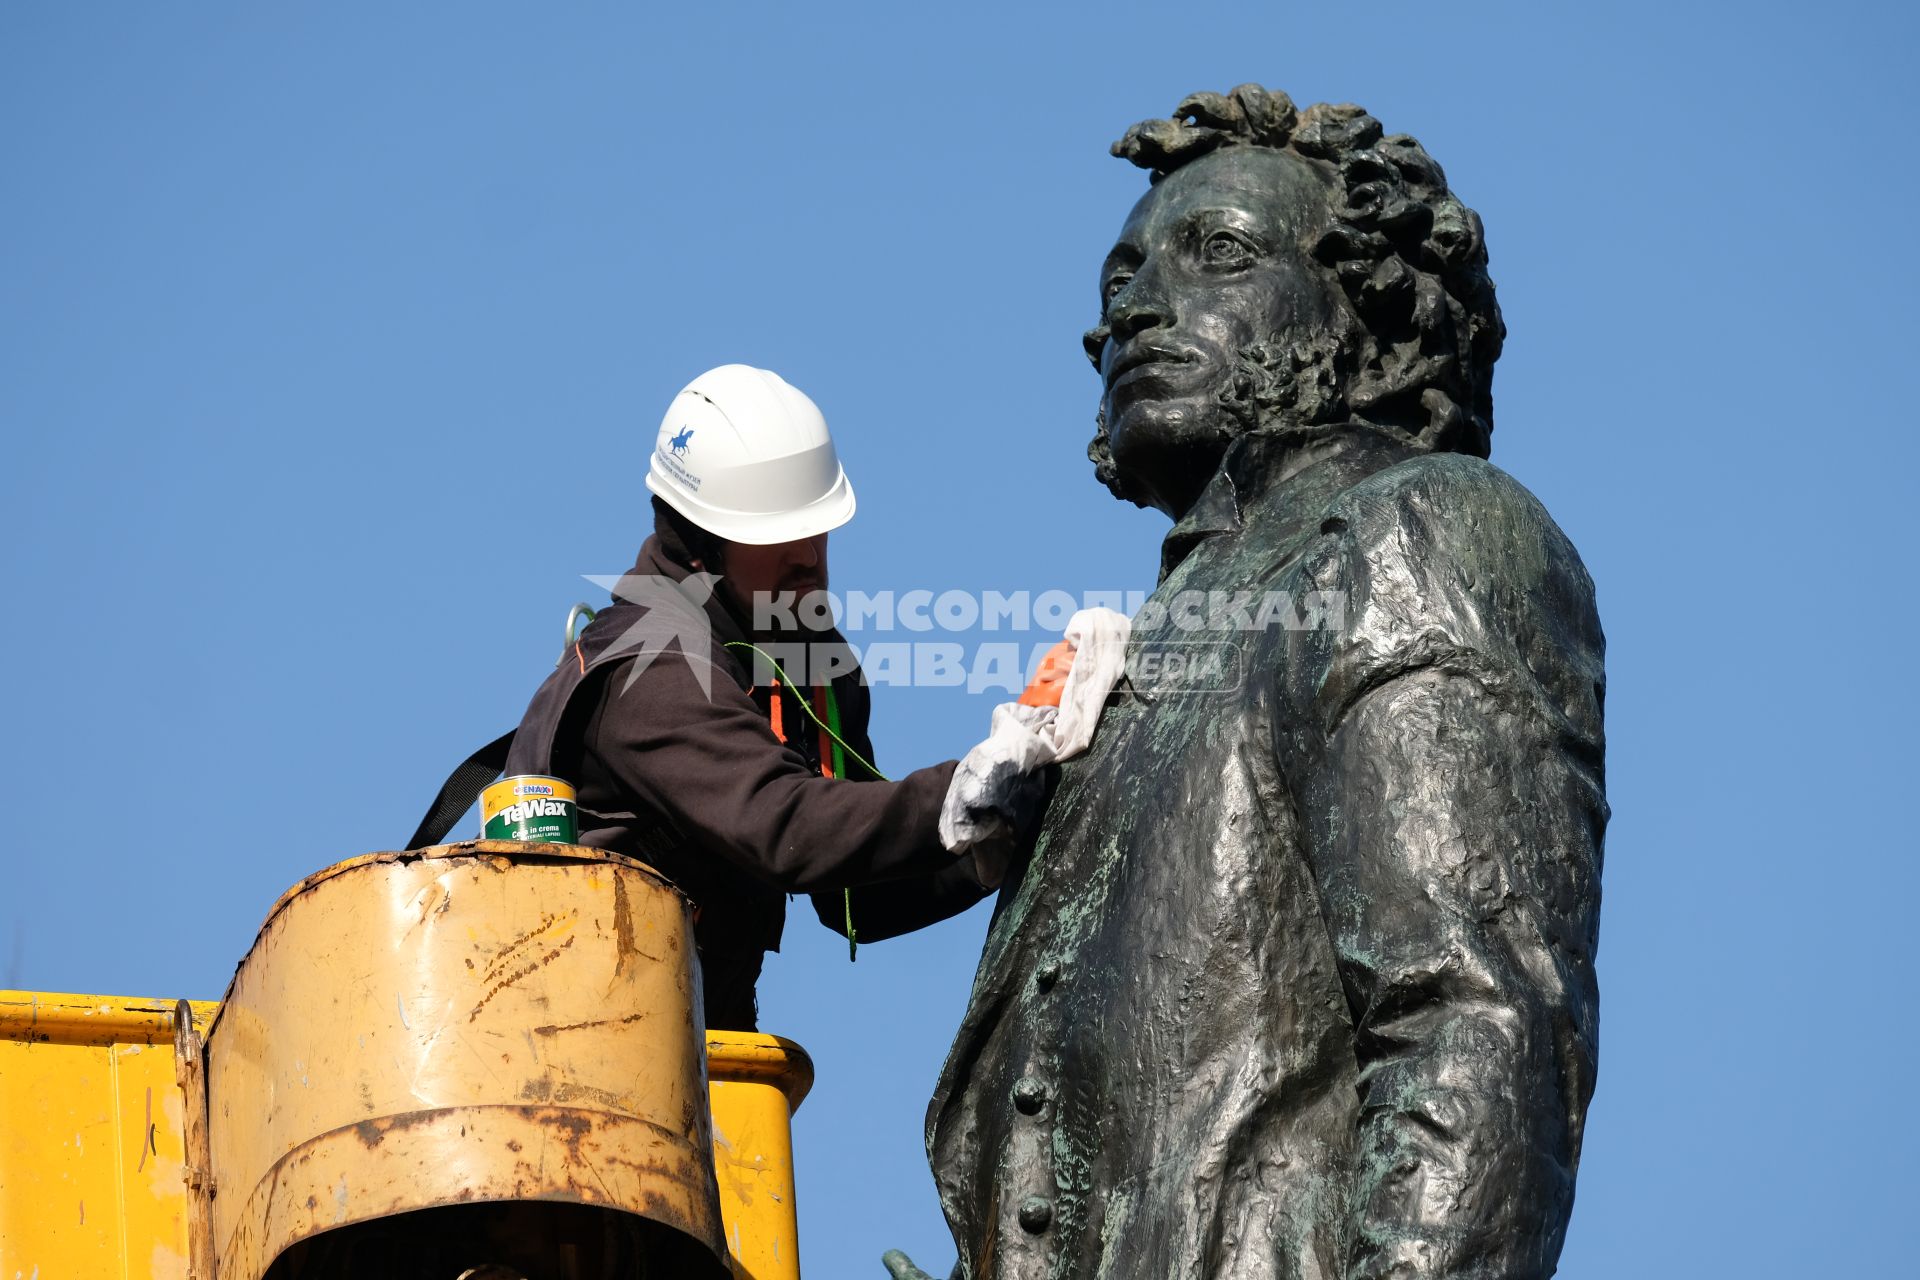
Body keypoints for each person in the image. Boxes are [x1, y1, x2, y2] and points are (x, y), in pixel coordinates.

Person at [903, 88, 1606, 1280]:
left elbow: (1474, 1023)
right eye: (1120, 277)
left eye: (1217, 253)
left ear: (1371, 324)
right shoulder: (1180, 629)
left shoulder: (1417, 528)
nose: (1136, 306)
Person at [506, 364, 1025, 1032]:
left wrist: (1012, 824)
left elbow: (853, 896)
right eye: (775, 535)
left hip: (689, 1062)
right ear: (699, 545)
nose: (808, 557)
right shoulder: (651, 671)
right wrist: (974, 787)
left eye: (818, 528)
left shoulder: (806, 663)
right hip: (564, 1068)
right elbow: (787, 826)